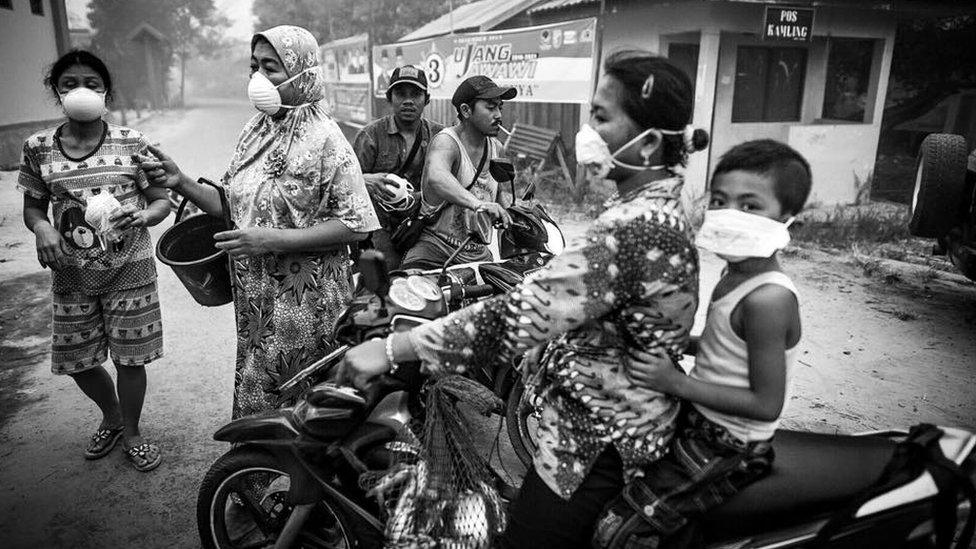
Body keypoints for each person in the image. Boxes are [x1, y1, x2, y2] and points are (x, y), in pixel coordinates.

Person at [342, 51, 709, 547]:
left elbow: (519, 316)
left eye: (601, 117)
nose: (589, 130)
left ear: (648, 143)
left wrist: (390, 349)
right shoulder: (668, 201)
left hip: (594, 439)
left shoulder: (635, 228)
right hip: (618, 419)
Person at [135, 25, 380, 419]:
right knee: (260, 388)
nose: (258, 79)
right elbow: (230, 203)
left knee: (303, 399)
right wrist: (180, 181)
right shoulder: (254, 131)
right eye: (254, 67)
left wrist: (271, 241)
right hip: (256, 297)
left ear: (303, 73)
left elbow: (358, 225)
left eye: (272, 68)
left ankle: (294, 477)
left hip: (306, 299)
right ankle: (257, 471)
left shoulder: (327, 139)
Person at [592, 139, 811, 548]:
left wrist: (676, 383)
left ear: (788, 220)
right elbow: (724, 348)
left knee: (618, 529)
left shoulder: (768, 300)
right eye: (722, 201)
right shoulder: (736, 275)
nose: (731, 215)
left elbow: (767, 404)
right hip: (701, 419)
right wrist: (673, 341)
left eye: (750, 206)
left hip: (728, 442)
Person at [18, 50, 170, 471]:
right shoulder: (37, 148)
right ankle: (112, 416)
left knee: (130, 358)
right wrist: (43, 228)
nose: (80, 91)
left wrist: (143, 215)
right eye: (69, 84)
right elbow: (33, 208)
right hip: (71, 273)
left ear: (106, 91)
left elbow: (162, 201)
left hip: (130, 268)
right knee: (78, 359)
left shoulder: (133, 142)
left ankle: (133, 431)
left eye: (91, 82)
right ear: (56, 92)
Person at [398, 75, 516, 271]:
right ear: (466, 110)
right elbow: (437, 177)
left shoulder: (497, 148)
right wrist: (478, 204)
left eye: (499, 107)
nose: (498, 115)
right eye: (490, 107)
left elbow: (501, 196)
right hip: (435, 251)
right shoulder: (447, 142)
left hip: (478, 255)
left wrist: (520, 211)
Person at [353, 65, 444, 269]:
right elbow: (345, 185)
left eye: (415, 94)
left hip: (425, 224)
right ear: (389, 98)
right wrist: (365, 181)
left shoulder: (441, 136)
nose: (408, 101)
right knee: (389, 280)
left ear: (426, 100)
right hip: (381, 227)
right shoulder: (371, 136)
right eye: (400, 94)